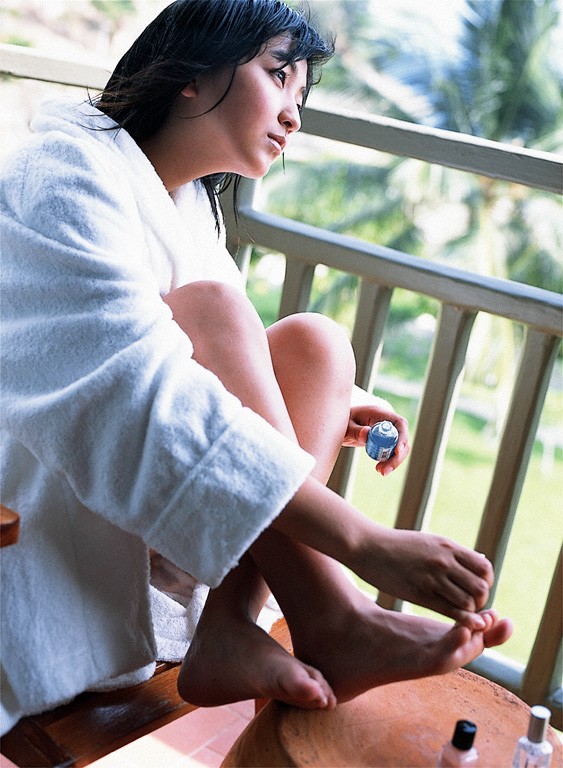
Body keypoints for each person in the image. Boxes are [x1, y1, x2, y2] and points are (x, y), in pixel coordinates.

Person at [0, 0, 512, 732]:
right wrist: (360, 540)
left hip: (151, 506)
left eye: (301, 95)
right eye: (278, 76)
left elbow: (189, 357)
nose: (293, 116)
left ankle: (232, 620)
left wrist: (332, 394)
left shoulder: (186, 206)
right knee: (220, 308)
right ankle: (331, 609)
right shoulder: (60, 173)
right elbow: (121, 386)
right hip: (52, 493)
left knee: (317, 346)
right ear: (192, 72)